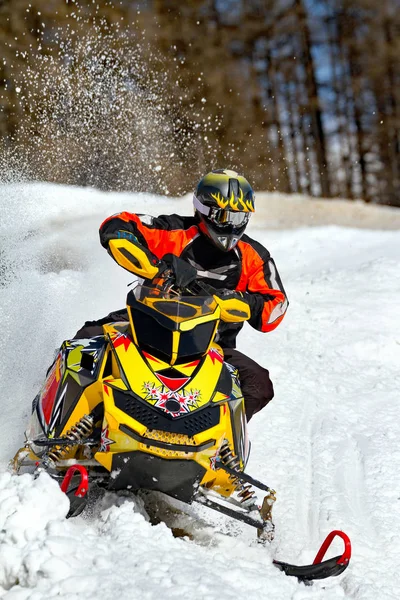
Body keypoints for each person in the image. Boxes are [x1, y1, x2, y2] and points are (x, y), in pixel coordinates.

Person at [75, 169, 288, 421]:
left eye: (239, 216)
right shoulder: (174, 231)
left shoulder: (253, 256)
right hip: (144, 330)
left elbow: (276, 305)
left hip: (211, 348)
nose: (231, 224)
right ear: (204, 210)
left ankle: (221, 450)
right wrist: (157, 268)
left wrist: (241, 302)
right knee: (85, 343)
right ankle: (57, 430)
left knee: (259, 385)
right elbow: (116, 225)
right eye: (224, 215)